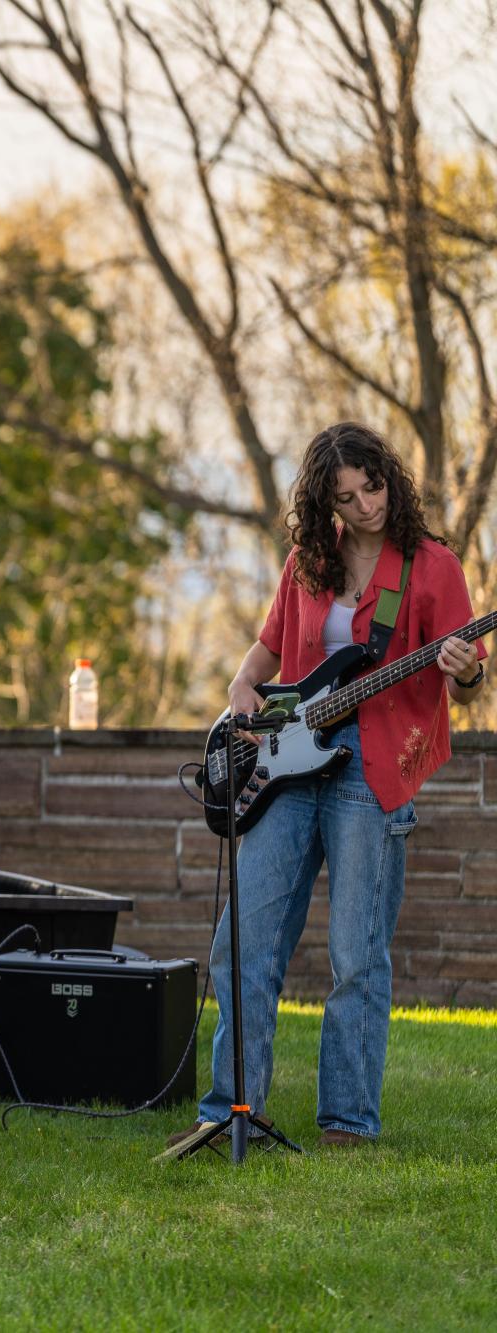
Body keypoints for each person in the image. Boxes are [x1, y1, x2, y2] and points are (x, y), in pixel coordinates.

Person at [165, 422, 485, 1156]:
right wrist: (243, 687)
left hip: (372, 771)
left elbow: (467, 684)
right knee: (241, 940)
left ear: (389, 478)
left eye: (371, 487)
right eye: (345, 497)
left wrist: (465, 668)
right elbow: (269, 648)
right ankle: (228, 1108)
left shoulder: (432, 566)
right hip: (286, 765)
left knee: (356, 954)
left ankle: (348, 1122)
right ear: (324, 504)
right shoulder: (310, 562)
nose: (365, 505)